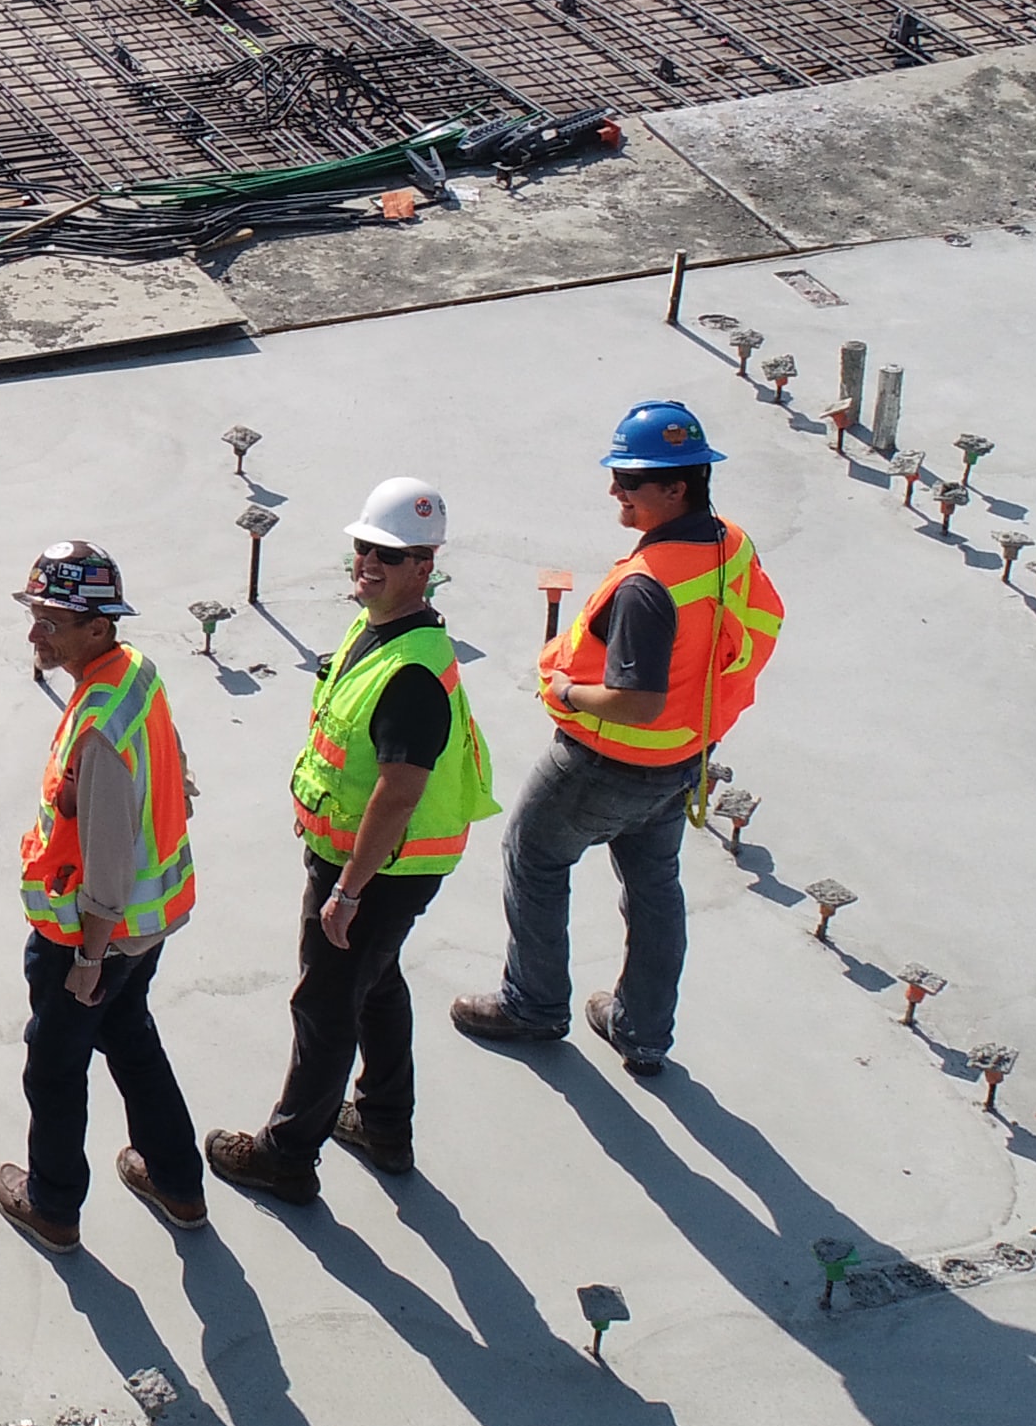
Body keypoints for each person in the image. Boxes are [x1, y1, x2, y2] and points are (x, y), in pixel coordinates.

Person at [458, 402, 788, 1081]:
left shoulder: (648, 586)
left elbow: (637, 701)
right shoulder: (730, 544)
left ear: (675, 489)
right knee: (654, 886)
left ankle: (534, 1005)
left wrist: (566, 693)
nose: (615, 490)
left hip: (605, 764)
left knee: (535, 858)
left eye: (629, 481)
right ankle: (643, 1031)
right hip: (682, 758)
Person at [210, 479, 488, 1203]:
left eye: (389, 556)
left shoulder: (412, 674)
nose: (368, 564)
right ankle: (385, 1124)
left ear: (425, 566)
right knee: (375, 984)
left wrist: (347, 891)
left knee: (325, 1007)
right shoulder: (378, 628)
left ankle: (286, 1155)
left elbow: (399, 794)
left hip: (377, 871)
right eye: (364, 548)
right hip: (365, 863)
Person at [0, 540, 203, 1258]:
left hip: (93, 936)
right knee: (131, 1039)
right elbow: (164, 756)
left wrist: (87, 956)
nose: (34, 634)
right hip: (149, 927)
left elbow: (108, 857)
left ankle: (53, 1206)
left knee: (53, 1068)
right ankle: (177, 1183)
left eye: (49, 621)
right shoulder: (134, 674)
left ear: (96, 628)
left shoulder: (100, 723)